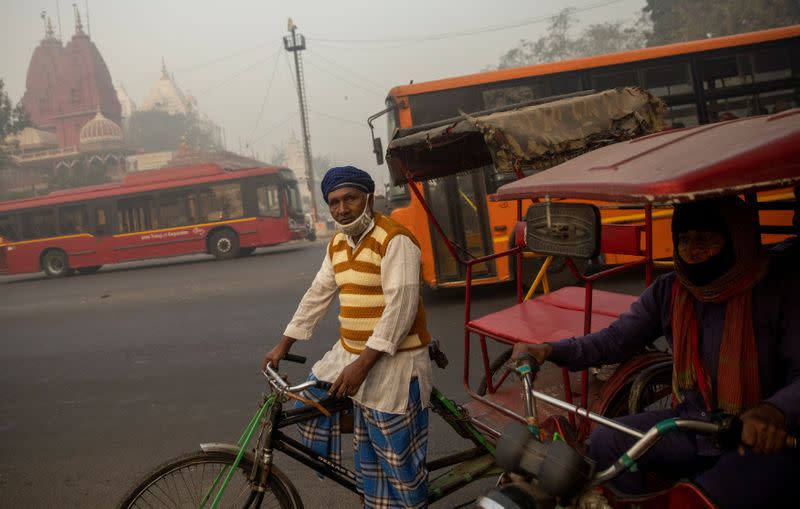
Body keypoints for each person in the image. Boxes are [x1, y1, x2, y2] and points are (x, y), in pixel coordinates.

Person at [512, 196, 800, 508]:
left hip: (764, 439)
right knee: (606, 442)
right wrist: (548, 350)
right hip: (694, 424)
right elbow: (614, 340)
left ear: (737, 239)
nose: (691, 251)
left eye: (705, 239)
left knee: (697, 500)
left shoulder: (780, 289)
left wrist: (772, 412)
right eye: (684, 240)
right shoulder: (670, 290)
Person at [261, 165, 433, 509]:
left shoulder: (394, 239)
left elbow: (399, 312)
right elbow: (318, 293)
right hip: (351, 355)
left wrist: (362, 367)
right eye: (335, 202)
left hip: (394, 365)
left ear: (368, 199)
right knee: (309, 407)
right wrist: (284, 344)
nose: (342, 209)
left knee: (398, 466)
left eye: (350, 199)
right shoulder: (338, 243)